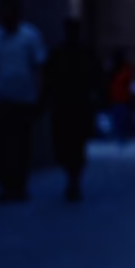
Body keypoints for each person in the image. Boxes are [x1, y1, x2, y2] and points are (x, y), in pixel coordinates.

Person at [0, 0, 46, 202]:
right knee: (0, 146)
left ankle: (19, 186)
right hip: (0, 99)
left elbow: (38, 68)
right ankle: (5, 185)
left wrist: (38, 95)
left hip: (23, 100)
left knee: (20, 145)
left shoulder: (30, 36)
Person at [44, 18, 97, 201]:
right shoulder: (59, 54)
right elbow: (48, 79)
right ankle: (72, 177)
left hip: (76, 108)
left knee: (75, 145)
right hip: (64, 107)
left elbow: (95, 80)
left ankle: (73, 180)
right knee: (66, 145)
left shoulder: (82, 54)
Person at [107, 48, 135, 143]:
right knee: (117, 118)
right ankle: (119, 135)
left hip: (123, 98)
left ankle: (122, 135)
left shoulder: (124, 69)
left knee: (122, 118)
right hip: (116, 98)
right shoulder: (114, 69)